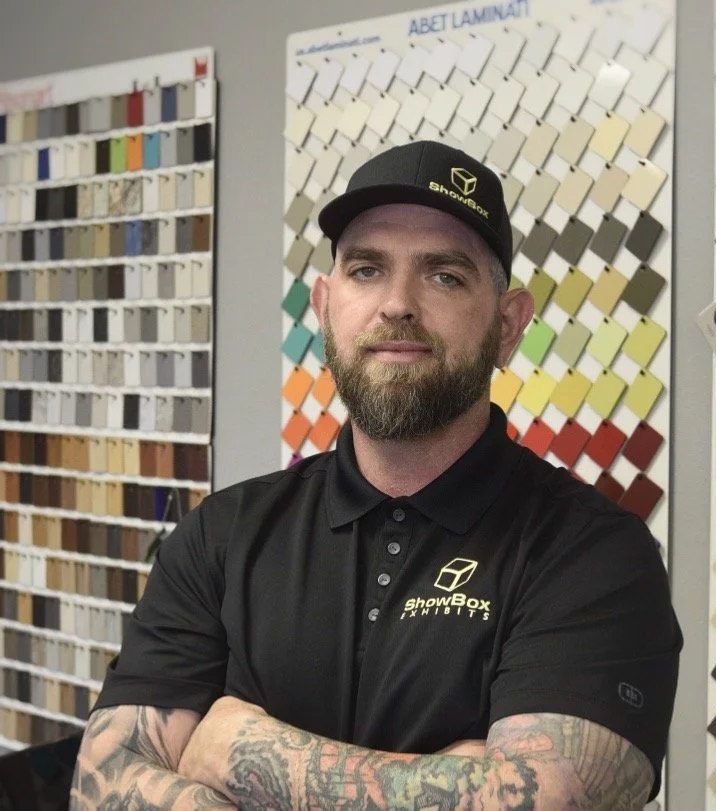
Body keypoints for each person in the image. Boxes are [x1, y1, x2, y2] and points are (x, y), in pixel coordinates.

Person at [70, 140, 682, 810]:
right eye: (366, 270)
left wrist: (239, 749)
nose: (396, 303)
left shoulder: (592, 555)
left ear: (507, 326)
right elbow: (102, 785)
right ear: (325, 304)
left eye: (443, 275)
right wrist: (453, 782)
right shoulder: (220, 536)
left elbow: (542, 802)